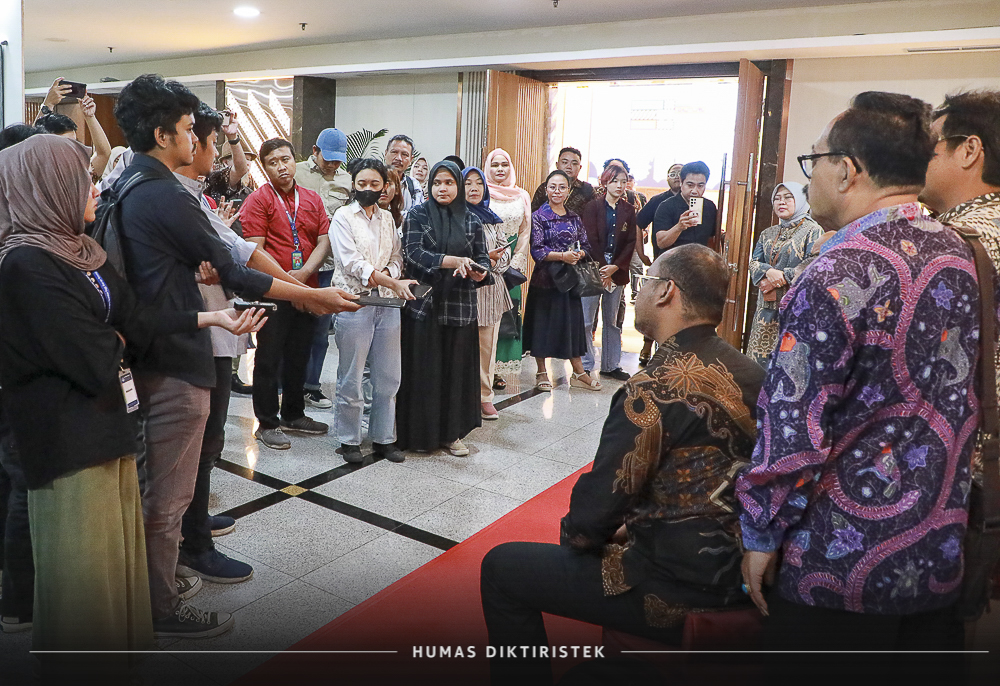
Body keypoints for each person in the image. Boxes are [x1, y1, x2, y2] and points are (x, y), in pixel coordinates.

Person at [737, 92, 979, 685]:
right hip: (936, 550)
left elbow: (793, 424)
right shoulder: (960, 253)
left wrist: (760, 531)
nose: (810, 176)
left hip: (839, 561)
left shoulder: (837, 271)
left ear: (846, 169)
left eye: (813, 161)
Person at [0, 135, 263, 673]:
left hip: (106, 429)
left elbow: (134, 318)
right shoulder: (24, 263)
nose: (95, 189)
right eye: (82, 181)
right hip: (66, 442)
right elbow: (92, 356)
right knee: (82, 578)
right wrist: (116, 339)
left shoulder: (77, 251)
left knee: (112, 560)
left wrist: (208, 318)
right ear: (49, 188)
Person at [112, 74, 358, 637]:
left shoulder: (138, 184)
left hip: (165, 343)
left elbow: (223, 259)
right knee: (167, 497)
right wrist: (312, 296)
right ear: (164, 135)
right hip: (174, 356)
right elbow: (234, 266)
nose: (195, 139)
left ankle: (158, 587)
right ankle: (159, 608)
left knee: (167, 487)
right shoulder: (160, 191)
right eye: (186, 129)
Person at [481, 244, 764, 685]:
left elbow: (588, 522)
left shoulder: (653, 387)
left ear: (667, 292)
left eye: (644, 282)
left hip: (674, 586)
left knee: (502, 568)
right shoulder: (754, 374)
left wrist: (596, 535)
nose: (638, 291)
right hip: (745, 571)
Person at [174, 104, 309, 586]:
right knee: (199, 439)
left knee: (209, 439)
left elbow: (231, 251)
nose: (211, 151)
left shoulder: (192, 195)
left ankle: (194, 521)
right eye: (207, 141)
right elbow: (238, 255)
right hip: (196, 332)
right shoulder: (169, 197)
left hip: (215, 327)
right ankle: (193, 543)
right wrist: (302, 291)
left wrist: (298, 287)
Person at [241, 138, 335, 450]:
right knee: (268, 358)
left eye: (286, 159)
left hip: (307, 290)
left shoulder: (311, 198)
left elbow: (324, 240)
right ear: (264, 167)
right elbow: (256, 252)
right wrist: (292, 286)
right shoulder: (258, 200)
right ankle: (267, 423)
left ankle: (294, 414)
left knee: (300, 354)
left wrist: (304, 276)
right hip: (272, 293)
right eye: (273, 162)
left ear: (295, 160)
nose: (281, 167)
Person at [396, 161, 489, 457]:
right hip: (425, 305)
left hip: (460, 305)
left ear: (458, 186)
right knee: (425, 371)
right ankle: (419, 435)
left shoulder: (472, 220)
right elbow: (413, 254)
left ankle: (452, 434)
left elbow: (483, 258)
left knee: (454, 372)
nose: (442, 188)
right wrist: (451, 261)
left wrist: (479, 272)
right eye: (437, 183)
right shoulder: (417, 215)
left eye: (449, 183)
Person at [330, 158, 417, 465]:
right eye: (362, 183)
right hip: (354, 302)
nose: (368, 188)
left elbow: (396, 256)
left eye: (374, 183)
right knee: (352, 375)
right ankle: (349, 438)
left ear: (385, 187)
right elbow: (352, 263)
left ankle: (384, 438)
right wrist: (390, 280)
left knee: (389, 375)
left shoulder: (387, 219)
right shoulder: (342, 217)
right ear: (353, 184)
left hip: (388, 303)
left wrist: (390, 275)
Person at [522, 170, 599, 392]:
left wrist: (579, 254)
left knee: (572, 326)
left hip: (570, 281)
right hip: (546, 280)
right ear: (546, 190)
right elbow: (537, 250)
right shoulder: (538, 216)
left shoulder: (574, 217)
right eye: (553, 187)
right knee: (542, 326)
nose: (557, 191)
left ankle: (579, 372)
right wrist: (562, 256)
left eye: (562, 187)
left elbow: (586, 245)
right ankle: (541, 371)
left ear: (568, 191)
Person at [296, 127, 352, 410]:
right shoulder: (295, 172)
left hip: (329, 266)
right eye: (328, 158)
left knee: (320, 330)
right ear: (315, 151)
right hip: (296, 263)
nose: (332, 165)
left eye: (337, 160)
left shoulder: (347, 179)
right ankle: (286, 384)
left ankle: (311, 386)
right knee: (292, 327)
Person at [745, 182, 823, 366]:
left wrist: (779, 278)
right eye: (777, 198)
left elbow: (813, 265)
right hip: (766, 308)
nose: (782, 202)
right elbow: (753, 262)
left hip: (794, 308)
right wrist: (769, 271)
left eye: (788, 197)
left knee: (787, 363)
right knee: (759, 365)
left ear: (801, 200)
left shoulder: (813, 230)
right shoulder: (768, 233)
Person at [579, 163, 637, 382]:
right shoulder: (592, 207)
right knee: (586, 319)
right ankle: (585, 365)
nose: (620, 186)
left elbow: (630, 242)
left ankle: (611, 365)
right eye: (614, 181)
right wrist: (603, 268)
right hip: (593, 267)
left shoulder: (629, 210)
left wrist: (615, 267)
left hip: (617, 270)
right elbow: (590, 239)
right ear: (605, 182)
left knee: (612, 321)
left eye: (623, 182)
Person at [464, 166, 513, 421]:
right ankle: (462, 397)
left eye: (478, 183)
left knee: (486, 349)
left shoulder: (492, 218)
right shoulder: (455, 217)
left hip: (490, 291)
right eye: (468, 183)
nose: (474, 188)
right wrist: (483, 260)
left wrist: (491, 263)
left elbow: (505, 252)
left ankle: (485, 397)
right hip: (464, 291)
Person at [484, 148, 532, 385]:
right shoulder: (483, 193)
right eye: (495, 165)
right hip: (486, 259)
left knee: (508, 313)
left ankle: (498, 368)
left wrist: (516, 262)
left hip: (512, 263)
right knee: (486, 313)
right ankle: (483, 366)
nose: (500, 169)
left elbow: (525, 231)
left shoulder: (522, 195)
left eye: (504, 165)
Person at [636, 162, 683, 364]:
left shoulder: (696, 203)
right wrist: (641, 254)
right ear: (667, 177)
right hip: (661, 263)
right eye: (673, 173)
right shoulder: (658, 201)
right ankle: (647, 346)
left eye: (681, 173)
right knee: (656, 307)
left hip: (686, 266)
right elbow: (638, 224)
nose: (677, 176)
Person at [652, 160, 717, 258]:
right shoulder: (666, 206)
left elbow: (712, 239)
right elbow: (661, 243)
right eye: (690, 185)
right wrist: (679, 227)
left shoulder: (710, 206)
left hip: (700, 262)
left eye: (700, 186)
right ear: (681, 183)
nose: (694, 191)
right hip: (672, 263)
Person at [531, 146, 595, 216]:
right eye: (565, 162)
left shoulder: (587, 190)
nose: (569, 167)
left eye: (574, 163)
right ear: (557, 165)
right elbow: (532, 214)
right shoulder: (545, 188)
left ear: (580, 168)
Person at [384, 134, 424, 212]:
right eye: (394, 152)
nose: (398, 158)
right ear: (385, 154)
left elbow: (417, 215)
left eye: (404, 154)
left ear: (411, 159)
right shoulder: (373, 182)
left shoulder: (414, 185)